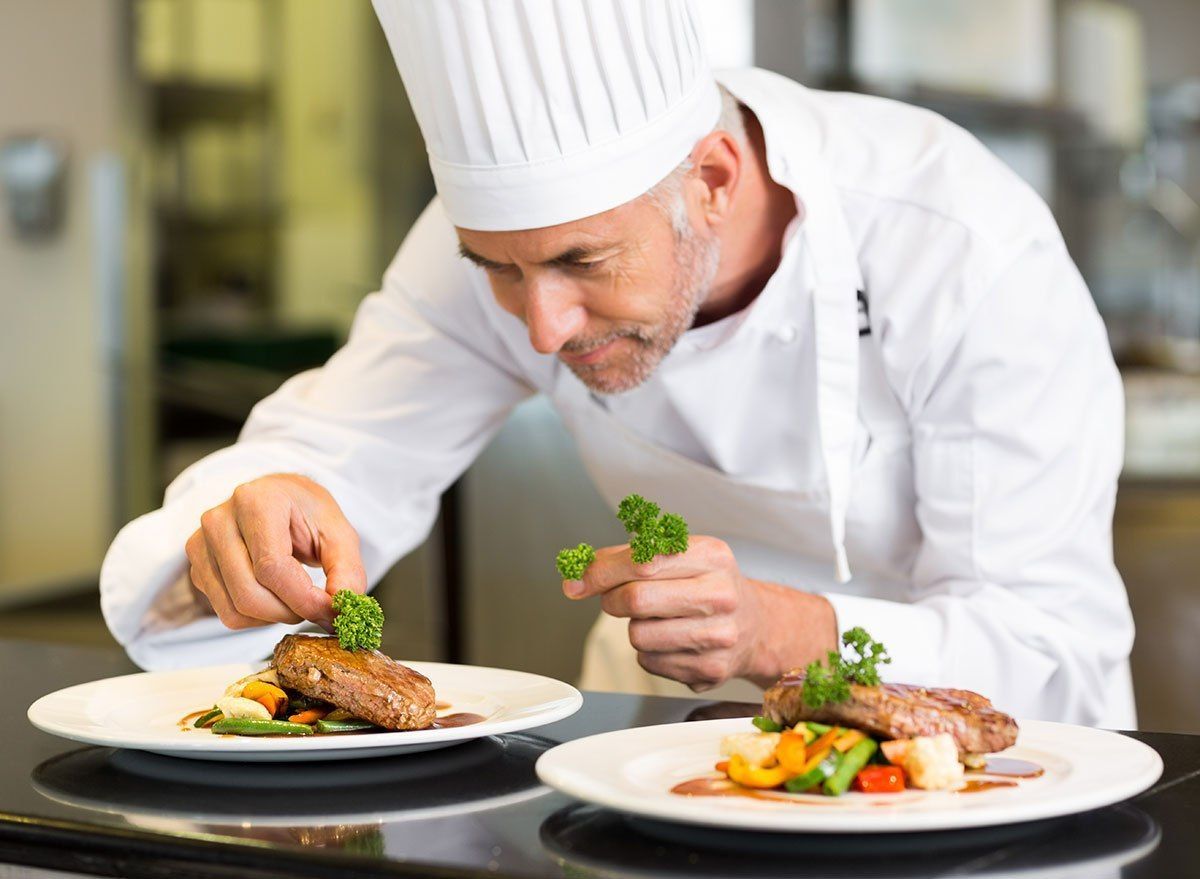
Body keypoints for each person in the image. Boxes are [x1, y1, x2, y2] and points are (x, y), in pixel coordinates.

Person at [100, 0, 1135, 726]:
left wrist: (782, 630)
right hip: (652, 750)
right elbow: (342, 451)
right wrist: (258, 514)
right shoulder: (501, 245)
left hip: (965, 786)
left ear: (715, 180)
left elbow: (1051, 647)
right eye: (499, 270)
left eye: (583, 263)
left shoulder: (956, 240)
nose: (542, 327)